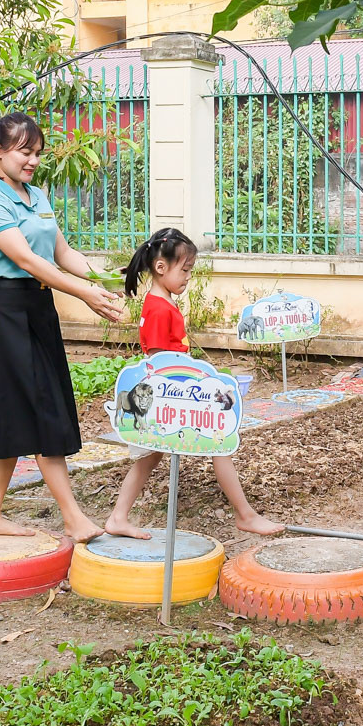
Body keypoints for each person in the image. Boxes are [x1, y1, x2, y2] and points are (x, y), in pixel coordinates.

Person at [0, 112, 125, 541]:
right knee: (40, 412)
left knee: (19, 412)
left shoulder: (36, 196)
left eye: (37, 152)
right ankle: (73, 518)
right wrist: (83, 294)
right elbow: (26, 260)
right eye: (24, 151)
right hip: (5, 313)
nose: (33, 160)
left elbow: (61, 252)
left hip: (38, 310)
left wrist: (108, 280)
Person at [103, 227, 284, 539]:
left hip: (170, 396)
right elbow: (161, 365)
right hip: (168, 400)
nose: (188, 277)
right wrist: (201, 390)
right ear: (161, 268)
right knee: (220, 440)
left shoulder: (159, 303)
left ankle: (119, 516)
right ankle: (246, 515)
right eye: (184, 270)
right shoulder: (160, 309)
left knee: (151, 456)